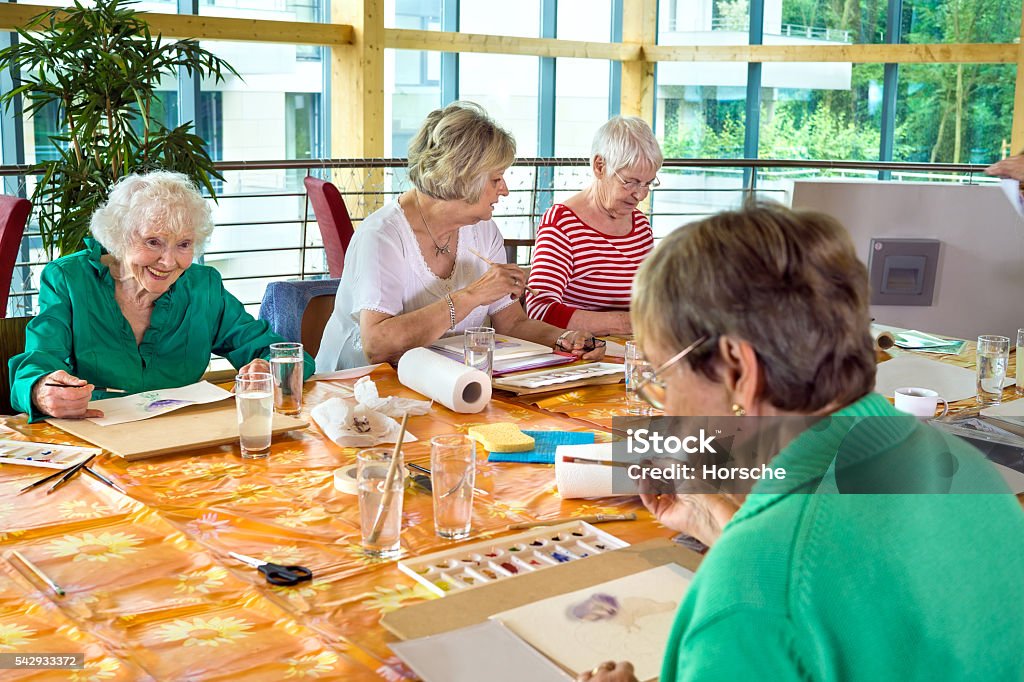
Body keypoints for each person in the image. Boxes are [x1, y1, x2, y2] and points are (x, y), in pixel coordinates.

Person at [579, 203, 1024, 681]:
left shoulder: (750, 594)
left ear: (738, 370)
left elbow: (786, 593)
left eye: (661, 374)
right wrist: (721, 522)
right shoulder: (964, 466)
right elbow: (858, 605)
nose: (663, 408)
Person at [315, 102, 604, 370]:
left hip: (439, 382)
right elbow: (378, 346)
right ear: (462, 176)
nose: (504, 190)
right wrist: (474, 295)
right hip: (360, 391)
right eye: (496, 179)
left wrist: (565, 338)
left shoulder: (483, 230)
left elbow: (512, 323)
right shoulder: (383, 236)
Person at [9, 171, 314, 421]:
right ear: (119, 235)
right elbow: (36, 364)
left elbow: (288, 356)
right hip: (99, 442)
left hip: (185, 445)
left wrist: (266, 367)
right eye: (153, 242)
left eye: (183, 245)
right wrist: (41, 391)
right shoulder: (69, 280)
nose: (169, 262)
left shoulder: (203, 287)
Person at [524, 116, 661, 335]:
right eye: (630, 181)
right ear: (600, 166)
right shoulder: (562, 223)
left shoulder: (641, 226)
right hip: (582, 354)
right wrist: (627, 323)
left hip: (631, 352)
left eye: (648, 184)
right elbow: (540, 309)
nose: (640, 195)